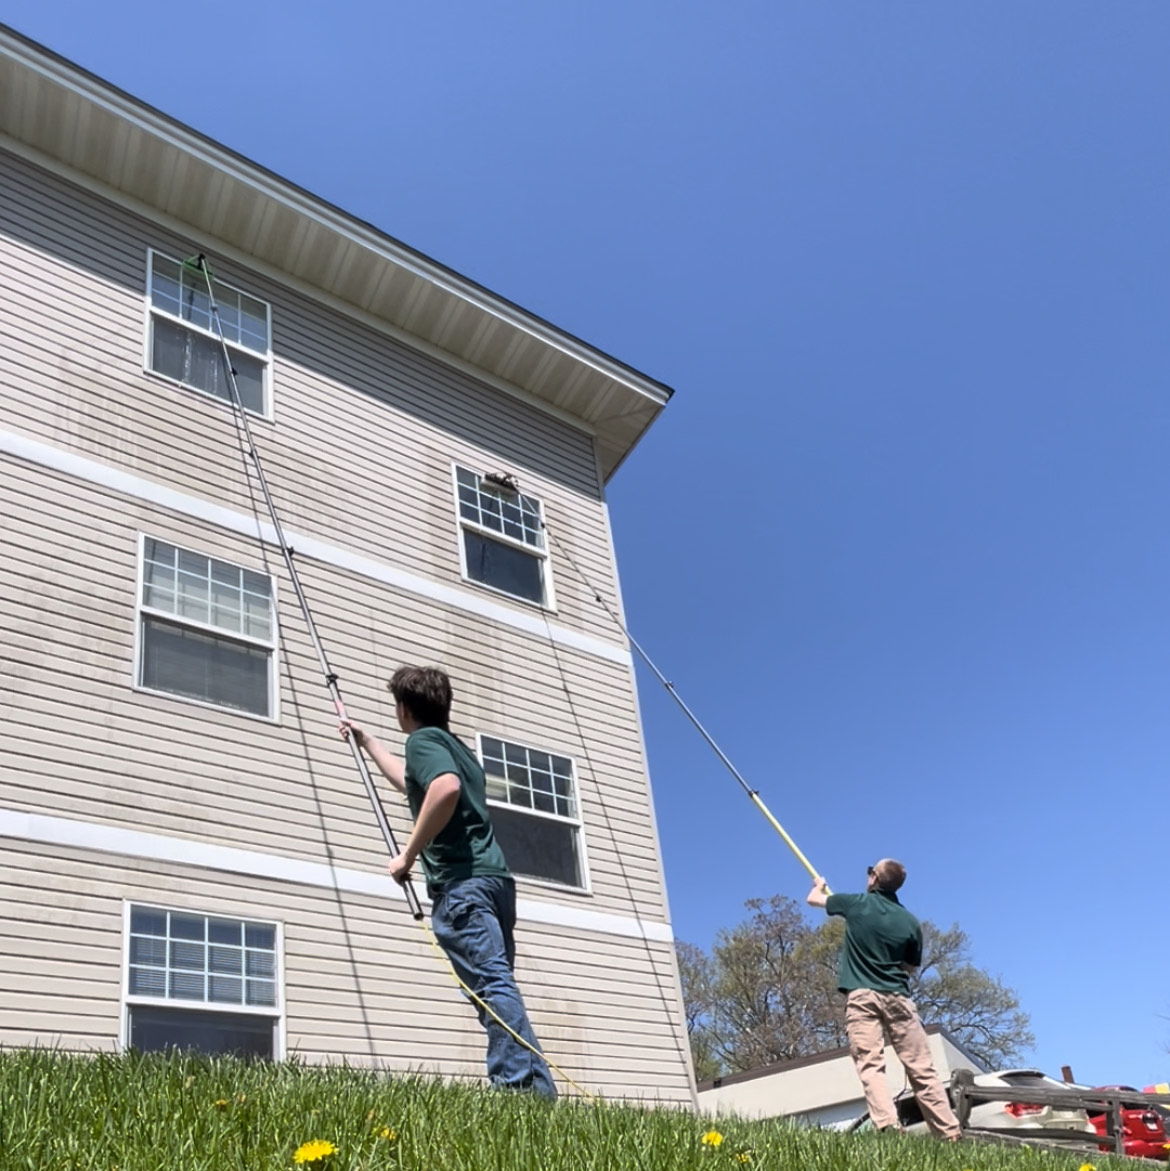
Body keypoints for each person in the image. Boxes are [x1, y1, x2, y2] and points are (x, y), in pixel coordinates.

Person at [339, 664, 556, 1098]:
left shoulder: (422, 741)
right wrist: (368, 742)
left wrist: (408, 854)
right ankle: (537, 1091)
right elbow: (414, 784)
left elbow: (444, 789)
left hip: (462, 885)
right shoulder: (456, 747)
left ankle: (517, 1090)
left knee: (491, 985)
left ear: (404, 709)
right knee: (496, 983)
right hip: (494, 882)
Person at [807, 859, 961, 1140]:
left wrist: (820, 886)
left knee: (871, 1064)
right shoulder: (910, 922)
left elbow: (813, 899)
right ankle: (949, 1133)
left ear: (874, 879)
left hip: (862, 997)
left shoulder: (855, 903)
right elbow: (910, 966)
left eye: (870, 871)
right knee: (922, 1069)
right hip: (899, 998)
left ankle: (889, 1126)